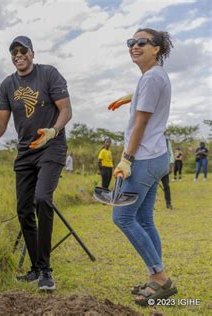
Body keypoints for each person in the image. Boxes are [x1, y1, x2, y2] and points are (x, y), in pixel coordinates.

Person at [0, 36, 72, 291]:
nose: (18, 55)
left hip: (51, 146)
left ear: (32, 53)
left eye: (23, 50)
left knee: (42, 199)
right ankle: (36, 268)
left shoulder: (49, 74)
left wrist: (53, 130)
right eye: (14, 52)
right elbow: (1, 122)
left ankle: (47, 271)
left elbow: (66, 110)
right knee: (23, 210)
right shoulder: (7, 84)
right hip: (25, 152)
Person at [110, 28, 177, 305]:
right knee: (145, 220)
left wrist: (127, 157)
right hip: (158, 155)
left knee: (123, 218)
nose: (134, 46)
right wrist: (132, 96)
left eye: (141, 42)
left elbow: (141, 124)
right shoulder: (155, 76)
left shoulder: (151, 78)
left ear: (157, 48)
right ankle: (155, 278)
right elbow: (149, 101)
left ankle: (161, 279)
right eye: (131, 42)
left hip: (144, 157)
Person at [160, 137, 174, 209]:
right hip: (153, 167)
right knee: (150, 187)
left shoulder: (166, 141)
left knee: (166, 186)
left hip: (164, 167)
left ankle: (168, 203)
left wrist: (170, 166)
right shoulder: (151, 139)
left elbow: (171, 153)